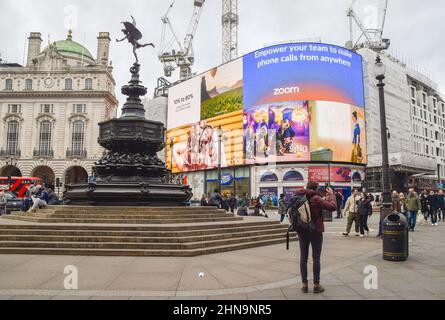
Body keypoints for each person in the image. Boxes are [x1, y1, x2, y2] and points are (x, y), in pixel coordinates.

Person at [295, 181, 337, 294]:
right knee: (316, 258)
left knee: (303, 258)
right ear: (316, 188)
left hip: (302, 231)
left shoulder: (298, 197)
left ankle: (304, 285)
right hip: (315, 231)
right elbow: (333, 207)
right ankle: (316, 285)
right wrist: (331, 194)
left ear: (306, 187)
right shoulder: (316, 198)